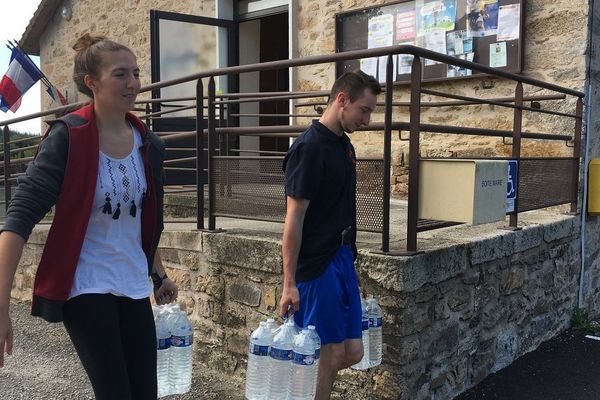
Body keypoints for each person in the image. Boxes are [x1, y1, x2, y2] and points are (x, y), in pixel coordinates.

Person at [0, 34, 177, 400]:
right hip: (86, 284)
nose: (133, 84)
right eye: (120, 75)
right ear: (91, 83)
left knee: (145, 392)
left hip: (132, 281)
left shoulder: (149, 144)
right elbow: (18, 219)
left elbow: (142, 220)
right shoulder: (69, 138)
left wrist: (159, 275)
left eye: (136, 73)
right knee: (115, 392)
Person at [279, 70, 381, 399]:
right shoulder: (309, 149)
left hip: (340, 260)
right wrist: (289, 282)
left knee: (353, 352)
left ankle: (302, 386)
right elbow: (293, 218)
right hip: (316, 265)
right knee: (329, 352)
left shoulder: (344, 146)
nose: (367, 120)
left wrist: (349, 262)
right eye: (364, 110)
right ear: (342, 100)